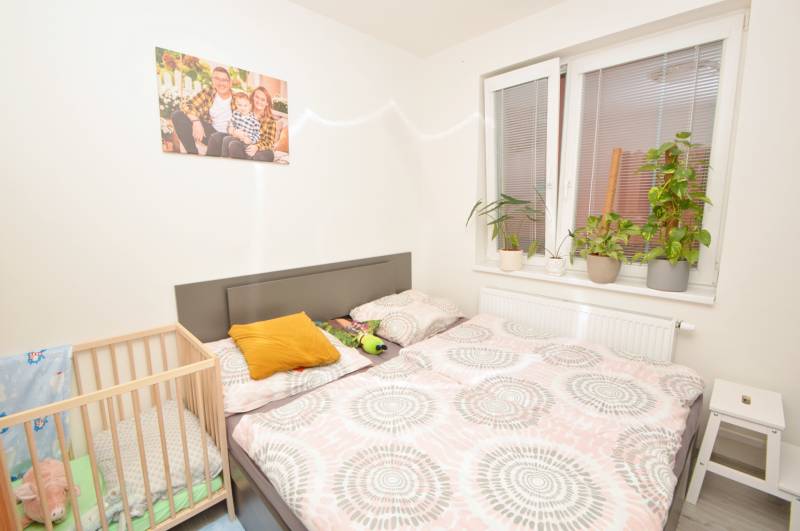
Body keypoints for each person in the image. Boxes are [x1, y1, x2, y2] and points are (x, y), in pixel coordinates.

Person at [170, 66, 236, 156]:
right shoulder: (209, 92)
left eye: (224, 80)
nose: (221, 83)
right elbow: (188, 105)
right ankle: (192, 153)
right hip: (211, 132)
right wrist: (196, 121)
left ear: (230, 82)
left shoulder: (237, 97)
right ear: (213, 80)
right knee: (177, 115)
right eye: (217, 79)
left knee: (216, 137)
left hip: (228, 137)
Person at [227, 86, 279, 162]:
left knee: (262, 155)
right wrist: (235, 132)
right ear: (252, 97)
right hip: (245, 143)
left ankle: (246, 160)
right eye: (257, 97)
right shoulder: (244, 110)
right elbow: (235, 123)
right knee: (231, 143)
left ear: (267, 103)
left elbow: (270, 142)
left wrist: (257, 146)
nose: (259, 101)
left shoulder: (270, 121)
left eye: (263, 99)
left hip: (262, 149)